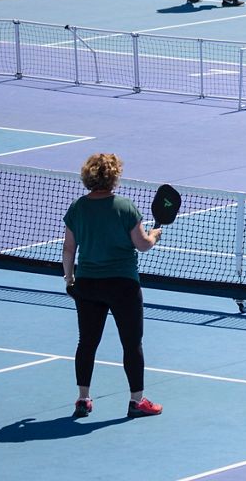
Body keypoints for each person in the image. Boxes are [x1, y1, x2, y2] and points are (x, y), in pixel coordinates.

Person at [62, 153, 163, 419]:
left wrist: (69, 279)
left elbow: (69, 249)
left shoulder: (77, 208)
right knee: (132, 344)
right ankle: (136, 402)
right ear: (113, 176)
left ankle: (83, 399)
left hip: (87, 285)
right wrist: (154, 235)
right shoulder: (125, 207)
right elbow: (142, 245)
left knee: (87, 342)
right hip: (123, 286)